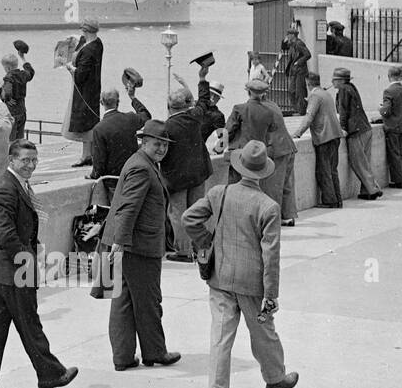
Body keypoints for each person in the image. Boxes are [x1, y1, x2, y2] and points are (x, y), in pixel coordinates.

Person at [183, 140, 299, 388]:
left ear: (238, 166)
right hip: (252, 284)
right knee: (263, 333)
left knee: (221, 336)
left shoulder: (218, 193)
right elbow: (271, 256)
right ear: (264, 172)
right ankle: (274, 379)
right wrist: (271, 295)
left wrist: (207, 240)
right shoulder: (268, 207)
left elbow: (189, 218)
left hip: (220, 278)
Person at [0, 139, 78, 388]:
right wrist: (28, 258)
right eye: (25, 160)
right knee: (30, 324)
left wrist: (32, 243)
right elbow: (6, 236)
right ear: (11, 161)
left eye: (34, 160)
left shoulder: (12, 185)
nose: (30, 165)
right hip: (13, 270)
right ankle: (50, 375)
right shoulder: (7, 189)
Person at [104, 119, 180, 371]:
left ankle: (123, 357)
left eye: (165, 145)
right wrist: (121, 242)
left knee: (124, 300)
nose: (162, 149)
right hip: (138, 246)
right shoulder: (142, 168)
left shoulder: (142, 163)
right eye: (157, 144)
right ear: (144, 142)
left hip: (130, 244)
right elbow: (128, 208)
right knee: (148, 301)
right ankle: (155, 352)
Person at [226, 78, 297, 225]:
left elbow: (230, 131)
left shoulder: (244, 108)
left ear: (249, 92)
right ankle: (287, 216)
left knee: (272, 187)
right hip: (288, 146)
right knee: (286, 185)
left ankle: (273, 219)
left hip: (275, 149)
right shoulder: (272, 107)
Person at [162, 74, 215, 260]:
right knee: (197, 211)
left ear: (169, 107)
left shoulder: (167, 127)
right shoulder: (195, 117)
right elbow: (203, 101)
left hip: (177, 178)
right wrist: (201, 77)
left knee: (178, 213)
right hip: (199, 173)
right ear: (187, 105)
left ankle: (183, 252)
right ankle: (199, 247)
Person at [292, 72, 344, 208]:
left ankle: (329, 200)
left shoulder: (315, 96)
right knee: (333, 169)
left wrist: (297, 133)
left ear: (308, 83)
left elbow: (309, 117)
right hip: (335, 134)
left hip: (324, 136)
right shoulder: (325, 94)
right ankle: (338, 199)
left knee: (324, 171)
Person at [331, 67, 382, 200]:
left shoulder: (343, 90)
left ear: (340, 80)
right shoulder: (351, 87)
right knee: (365, 161)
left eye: (334, 79)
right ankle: (366, 191)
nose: (332, 82)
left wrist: (342, 127)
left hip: (356, 130)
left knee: (358, 162)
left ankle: (373, 189)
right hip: (365, 127)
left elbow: (343, 111)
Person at [89, 85, 152, 184]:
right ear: (118, 102)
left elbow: (99, 162)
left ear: (101, 102)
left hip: (114, 180)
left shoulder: (99, 128)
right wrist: (132, 97)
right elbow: (146, 116)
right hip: (133, 174)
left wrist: (93, 175)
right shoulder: (130, 118)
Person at [64, 20, 104, 167]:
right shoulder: (98, 43)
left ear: (85, 30)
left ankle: (86, 156)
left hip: (84, 90)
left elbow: (80, 75)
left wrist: (70, 68)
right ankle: (89, 154)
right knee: (91, 120)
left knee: (84, 122)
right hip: (94, 88)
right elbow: (84, 42)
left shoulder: (88, 50)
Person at [379, 65, 402, 189]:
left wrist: (381, 109)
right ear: (400, 76)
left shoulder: (388, 91)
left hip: (392, 126)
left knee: (394, 154)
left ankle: (398, 181)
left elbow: (386, 110)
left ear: (389, 77)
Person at [0, 45, 34, 142]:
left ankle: (11, 156)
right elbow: (30, 72)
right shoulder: (23, 74)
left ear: (8, 68)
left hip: (12, 113)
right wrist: (22, 57)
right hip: (22, 111)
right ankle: (20, 154)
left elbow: (7, 92)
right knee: (20, 138)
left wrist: (5, 99)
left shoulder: (9, 77)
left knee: (11, 139)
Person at [280, 27, 312, 114]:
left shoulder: (299, 44)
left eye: (288, 35)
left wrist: (298, 62)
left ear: (293, 35)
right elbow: (283, 48)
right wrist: (284, 40)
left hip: (300, 71)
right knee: (291, 91)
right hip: (294, 71)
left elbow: (308, 54)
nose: (287, 36)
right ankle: (297, 109)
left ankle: (302, 111)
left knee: (300, 91)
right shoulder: (292, 44)